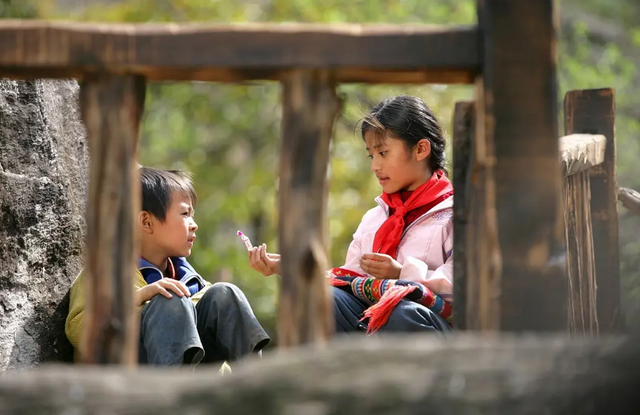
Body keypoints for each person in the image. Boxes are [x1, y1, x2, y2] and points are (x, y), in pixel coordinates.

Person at [248, 95, 453, 334]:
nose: (375, 166)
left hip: (428, 330)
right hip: (372, 325)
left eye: (383, 153)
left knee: (401, 312)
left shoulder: (455, 215)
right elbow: (350, 282)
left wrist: (401, 274)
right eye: (371, 155)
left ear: (420, 149)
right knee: (323, 299)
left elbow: (464, 288)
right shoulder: (374, 219)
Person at [66, 167, 270, 366]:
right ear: (146, 222)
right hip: (136, 384)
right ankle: (171, 398)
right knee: (170, 300)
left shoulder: (189, 278)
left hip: (192, 380)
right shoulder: (106, 271)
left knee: (226, 294)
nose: (194, 224)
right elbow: (79, 330)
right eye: (185, 214)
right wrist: (140, 296)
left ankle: (258, 387)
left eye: (193, 215)